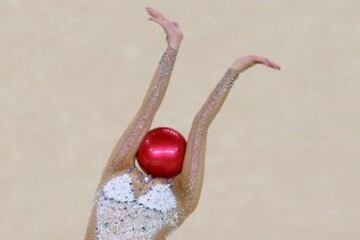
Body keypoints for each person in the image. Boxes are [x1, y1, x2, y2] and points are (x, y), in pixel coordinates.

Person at [84, 6, 281, 240]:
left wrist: (234, 71)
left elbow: (197, 124)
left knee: (147, 117)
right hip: (128, 186)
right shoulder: (182, 196)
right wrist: (173, 48)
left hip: (121, 180)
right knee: (147, 115)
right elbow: (196, 124)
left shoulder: (178, 194)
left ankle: (176, 43)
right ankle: (175, 41)